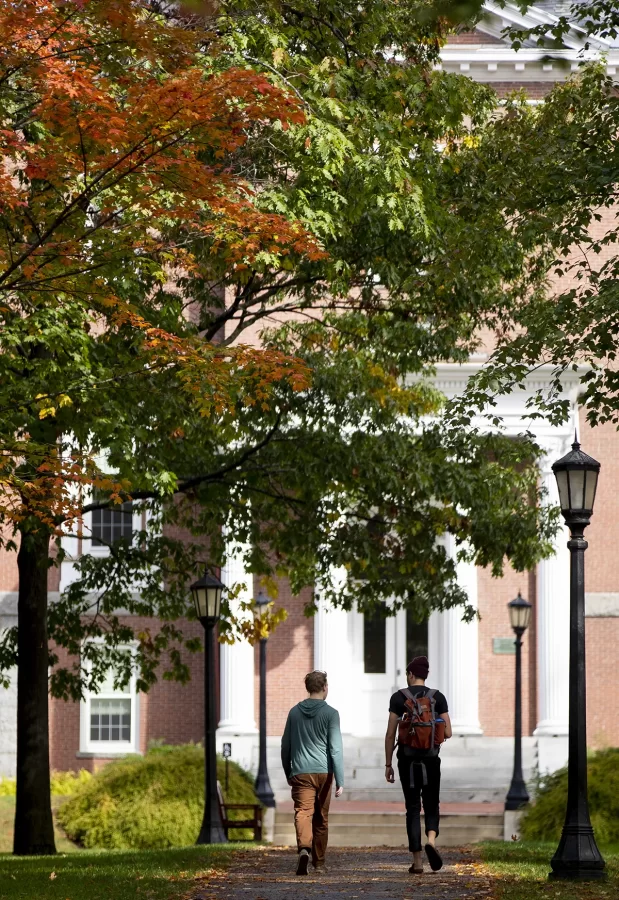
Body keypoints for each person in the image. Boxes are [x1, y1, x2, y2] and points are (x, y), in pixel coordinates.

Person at [384, 655, 452, 875]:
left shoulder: (398, 698)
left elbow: (390, 734)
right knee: (432, 803)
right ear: (426, 675)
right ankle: (431, 841)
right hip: (431, 760)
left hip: (408, 761)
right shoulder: (437, 697)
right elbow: (448, 732)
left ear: (411, 674)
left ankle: (417, 862)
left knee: (412, 807)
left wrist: (388, 763)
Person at [281, 670, 344, 875]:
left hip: (301, 772)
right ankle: (319, 864)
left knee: (303, 812)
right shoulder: (331, 714)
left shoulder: (294, 712)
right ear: (325, 687)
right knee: (321, 818)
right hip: (324, 773)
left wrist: (288, 770)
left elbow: (285, 746)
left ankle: (304, 849)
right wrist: (340, 779)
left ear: (308, 688)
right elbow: (335, 748)